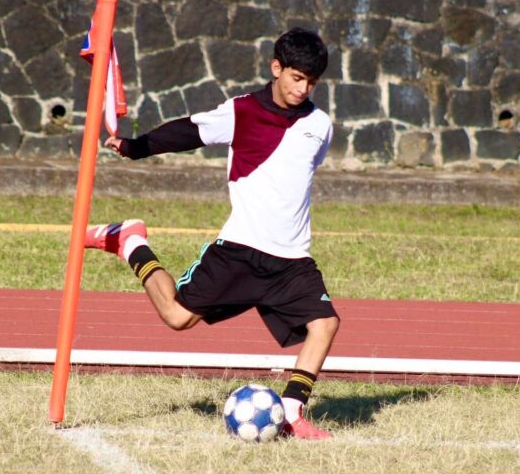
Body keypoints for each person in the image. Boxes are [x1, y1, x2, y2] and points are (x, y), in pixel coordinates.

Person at [85, 27, 339, 440]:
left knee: (325, 324)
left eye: (312, 82)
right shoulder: (242, 112)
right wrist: (136, 147)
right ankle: (131, 240)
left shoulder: (320, 125)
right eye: (296, 78)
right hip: (240, 251)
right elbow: (188, 132)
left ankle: (291, 413)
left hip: (292, 259)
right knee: (176, 317)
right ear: (276, 69)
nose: (303, 88)